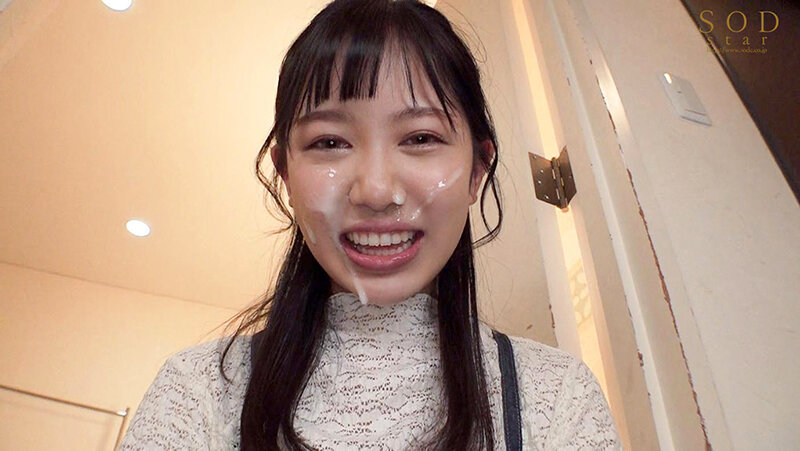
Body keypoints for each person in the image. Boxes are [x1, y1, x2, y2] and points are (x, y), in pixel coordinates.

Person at [120, 0, 621, 449]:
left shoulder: (558, 395)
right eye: (330, 142)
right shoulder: (197, 393)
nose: (376, 192)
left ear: (477, 171)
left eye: (420, 138)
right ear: (285, 174)